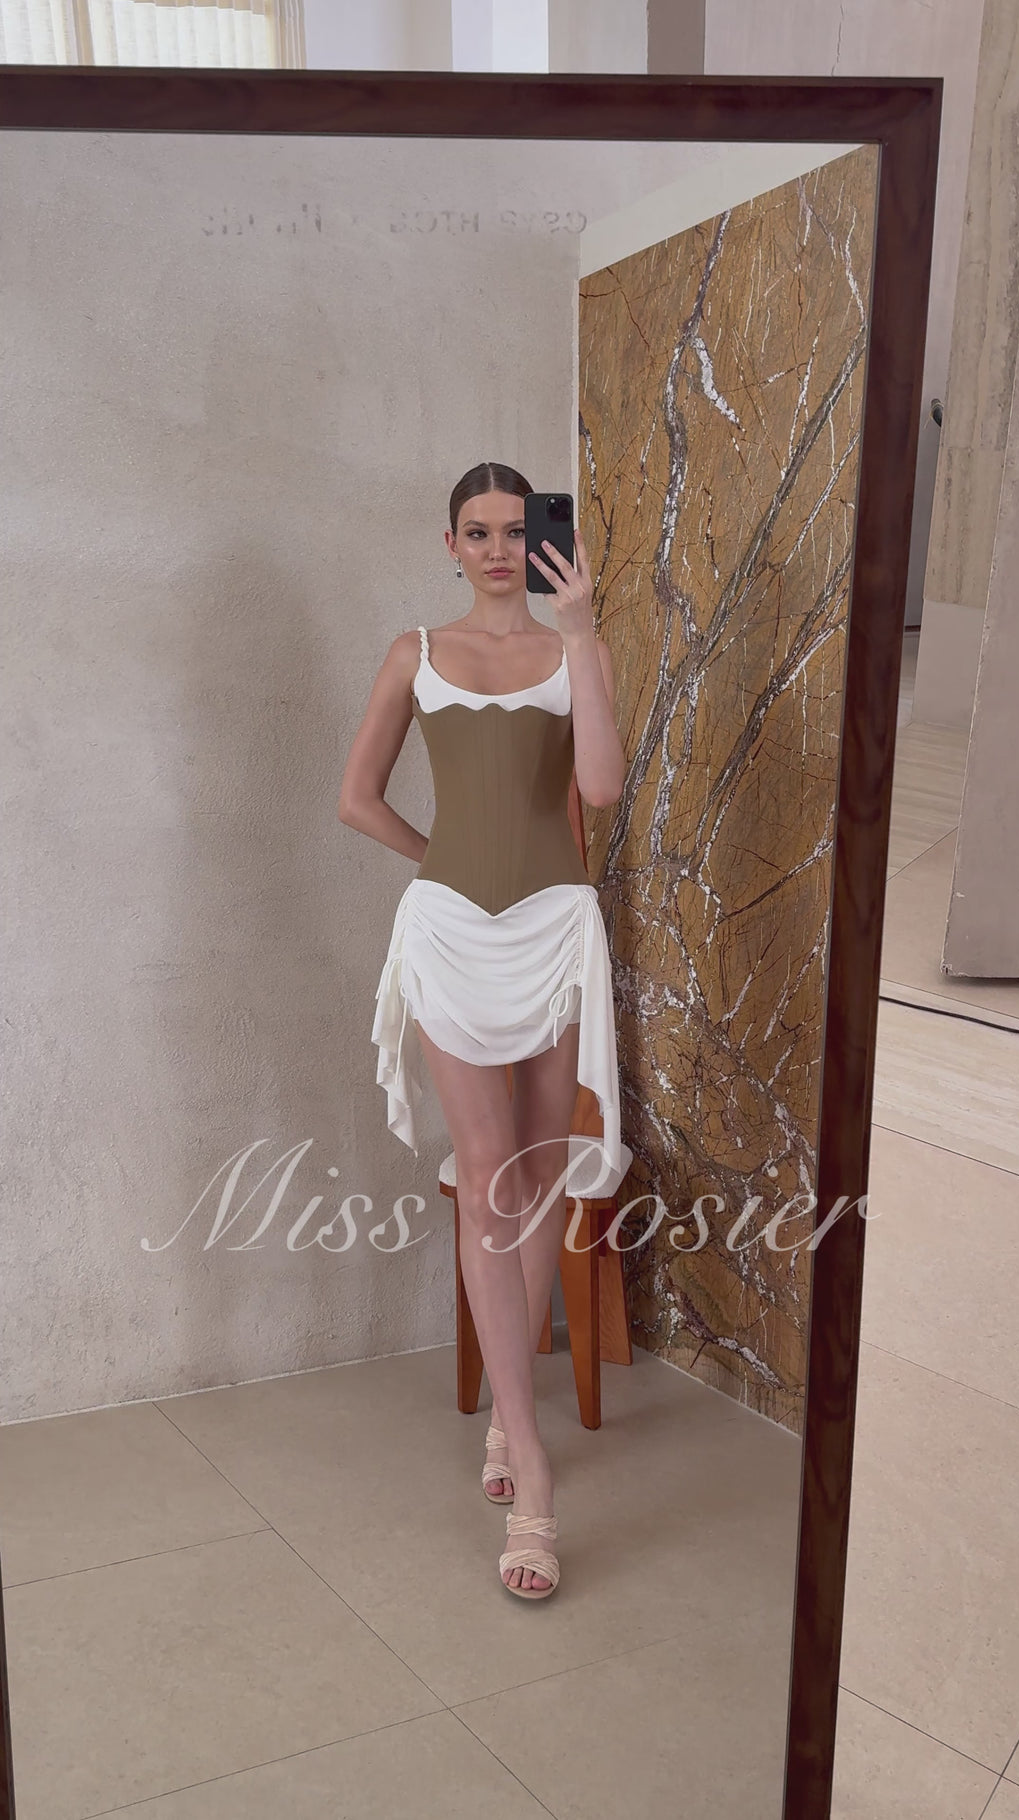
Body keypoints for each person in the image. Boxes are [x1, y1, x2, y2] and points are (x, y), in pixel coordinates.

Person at [338, 460, 626, 1600]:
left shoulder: (574, 647)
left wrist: (584, 632)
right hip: (451, 937)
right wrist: (441, 869)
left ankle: (510, 1411)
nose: (501, 549)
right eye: (479, 531)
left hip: (554, 930)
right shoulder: (414, 651)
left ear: (539, 541)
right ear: (449, 543)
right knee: (491, 1182)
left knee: (541, 1176)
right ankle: (531, 1460)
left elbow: (597, 789)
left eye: (517, 530)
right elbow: (356, 798)